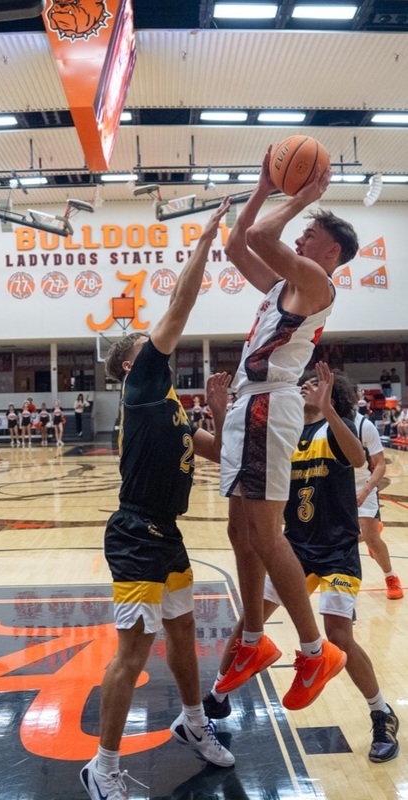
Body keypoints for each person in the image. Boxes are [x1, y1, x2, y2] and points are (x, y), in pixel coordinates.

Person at [80, 199, 235, 800]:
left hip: (165, 534)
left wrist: (219, 414)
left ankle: (194, 722)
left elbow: (218, 452)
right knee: (133, 654)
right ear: (130, 362)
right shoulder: (143, 383)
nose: (157, 337)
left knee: (182, 634)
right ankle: (104, 765)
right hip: (135, 533)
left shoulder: (167, 406)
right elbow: (183, 303)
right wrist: (205, 241)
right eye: (146, 341)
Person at [216, 146, 358, 710]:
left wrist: (297, 196)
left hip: (267, 406)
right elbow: (236, 244)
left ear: (330, 250)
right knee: (239, 531)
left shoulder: (316, 285)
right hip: (247, 406)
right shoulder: (283, 288)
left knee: (266, 533)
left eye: (309, 232)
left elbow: (260, 240)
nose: (299, 238)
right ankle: (252, 640)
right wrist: (259, 189)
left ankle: (312, 649)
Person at [205, 365, 399, 764]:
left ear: (332, 391)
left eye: (316, 383)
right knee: (250, 618)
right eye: (304, 383)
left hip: (337, 549)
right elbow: (233, 458)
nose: (307, 387)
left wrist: (328, 410)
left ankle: (381, 713)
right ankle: (216, 696)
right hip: (295, 548)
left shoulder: (340, 426)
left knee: (338, 637)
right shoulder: (285, 433)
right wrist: (222, 413)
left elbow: (357, 458)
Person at [354, 399, 403, 599]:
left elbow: (380, 464)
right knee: (339, 539)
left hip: (361, 484)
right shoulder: (319, 423)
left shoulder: (363, 425)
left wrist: (366, 490)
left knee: (372, 539)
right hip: (334, 487)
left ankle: (391, 577)